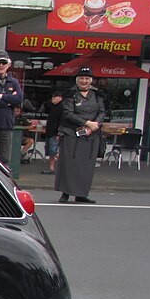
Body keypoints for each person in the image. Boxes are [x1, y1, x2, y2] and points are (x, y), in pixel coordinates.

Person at [55, 67, 105, 204]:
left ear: (91, 80)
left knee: (86, 166)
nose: (84, 81)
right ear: (77, 80)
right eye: (81, 78)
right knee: (69, 164)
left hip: (91, 134)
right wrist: (86, 123)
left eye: (87, 78)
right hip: (72, 132)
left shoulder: (97, 94)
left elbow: (102, 112)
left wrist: (95, 125)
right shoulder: (71, 94)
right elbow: (68, 113)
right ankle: (65, 193)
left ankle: (82, 194)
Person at [40, 91, 63, 175]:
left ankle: (65, 167)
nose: (52, 99)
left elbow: (61, 122)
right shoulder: (53, 106)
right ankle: (51, 168)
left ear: (60, 98)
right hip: (50, 132)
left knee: (54, 151)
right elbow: (45, 104)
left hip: (55, 133)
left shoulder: (61, 108)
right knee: (51, 152)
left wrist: (59, 133)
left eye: (54, 97)